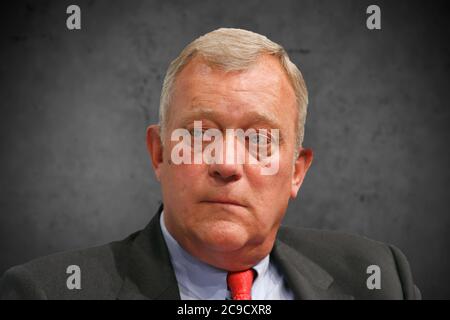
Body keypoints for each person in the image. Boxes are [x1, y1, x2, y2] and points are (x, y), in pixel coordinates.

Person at [0, 28, 420, 300]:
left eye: (259, 139)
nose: (226, 164)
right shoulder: (44, 292)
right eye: (200, 135)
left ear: (296, 171)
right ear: (160, 153)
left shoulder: (379, 277)